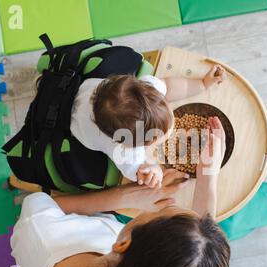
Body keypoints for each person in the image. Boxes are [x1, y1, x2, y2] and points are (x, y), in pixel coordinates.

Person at [11, 118, 267, 267]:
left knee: (210, 240)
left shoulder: (41, 232)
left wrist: (125, 196)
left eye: (162, 211)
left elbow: (44, 202)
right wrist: (208, 180)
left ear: (123, 242)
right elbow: (201, 241)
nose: (166, 204)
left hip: (89, 228)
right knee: (218, 235)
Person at [70, 64, 226, 188]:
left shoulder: (148, 88)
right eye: (156, 138)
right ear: (128, 143)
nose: (170, 134)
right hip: (74, 122)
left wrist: (203, 83)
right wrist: (152, 170)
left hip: (82, 90)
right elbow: (136, 172)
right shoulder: (125, 151)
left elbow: (168, 85)